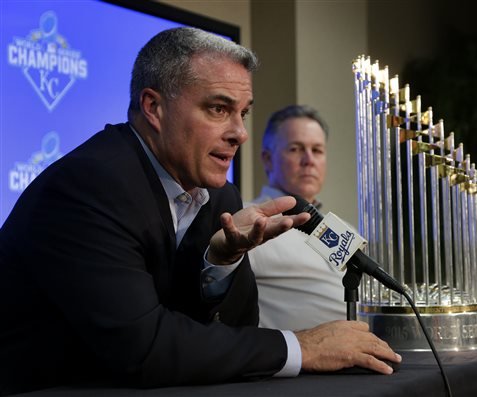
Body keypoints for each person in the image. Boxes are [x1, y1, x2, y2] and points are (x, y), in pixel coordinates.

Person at [0, 27, 400, 395]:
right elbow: (145, 349)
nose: (239, 132)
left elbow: (236, 333)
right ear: (153, 108)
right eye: (218, 109)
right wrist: (303, 346)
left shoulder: (220, 197)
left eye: (242, 112)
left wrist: (221, 263)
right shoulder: (89, 186)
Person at [249, 105, 347, 330]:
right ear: (267, 159)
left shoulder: (344, 229)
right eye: (295, 149)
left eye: (317, 150)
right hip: (300, 360)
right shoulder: (249, 221)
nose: (309, 160)